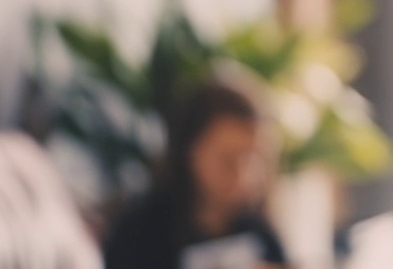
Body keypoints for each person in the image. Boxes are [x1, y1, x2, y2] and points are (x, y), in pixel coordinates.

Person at [104, 81, 287, 269]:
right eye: (227, 160)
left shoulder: (259, 230)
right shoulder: (139, 232)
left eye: (253, 160)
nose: (243, 176)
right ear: (189, 151)